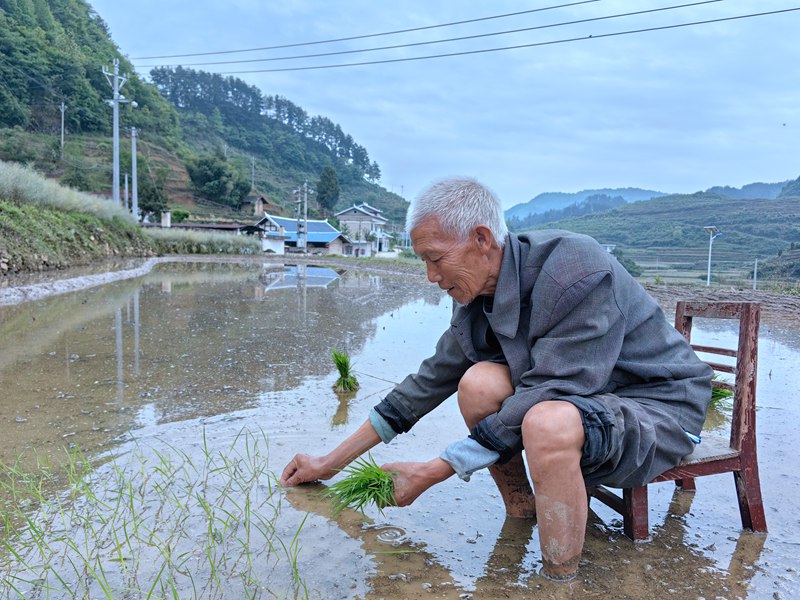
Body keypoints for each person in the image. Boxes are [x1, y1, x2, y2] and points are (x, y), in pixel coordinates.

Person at [280, 177, 713, 581]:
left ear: (482, 239)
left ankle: (559, 580)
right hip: (582, 399)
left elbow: (554, 391)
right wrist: (328, 463)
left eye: (435, 259)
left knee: (547, 420)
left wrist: (434, 471)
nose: (432, 277)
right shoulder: (473, 295)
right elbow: (426, 384)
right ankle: (522, 509)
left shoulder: (575, 270)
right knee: (478, 383)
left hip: (656, 407)